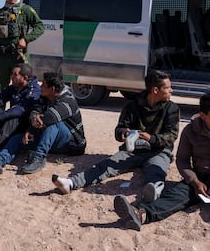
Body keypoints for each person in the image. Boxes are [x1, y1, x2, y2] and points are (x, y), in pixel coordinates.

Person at [52, 69, 180, 201]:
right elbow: (119, 130)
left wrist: (151, 138)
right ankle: (71, 183)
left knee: (156, 173)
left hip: (158, 151)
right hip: (134, 150)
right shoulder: (133, 106)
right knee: (106, 166)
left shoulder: (171, 109)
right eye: (168, 87)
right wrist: (124, 133)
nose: (171, 90)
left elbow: (171, 135)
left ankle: (152, 194)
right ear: (155, 90)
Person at [113, 92, 210, 231]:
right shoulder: (190, 131)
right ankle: (141, 214)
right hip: (199, 177)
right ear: (203, 115)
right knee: (176, 195)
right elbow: (182, 160)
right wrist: (194, 181)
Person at [0, 72, 86, 175]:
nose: (41, 87)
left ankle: (39, 158)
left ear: (53, 89)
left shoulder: (68, 100)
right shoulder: (46, 95)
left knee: (53, 123)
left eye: (44, 85)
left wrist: (32, 129)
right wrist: (32, 123)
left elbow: (49, 118)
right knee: (17, 139)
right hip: (49, 138)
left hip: (71, 143)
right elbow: (36, 110)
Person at [0, 0, 44, 93]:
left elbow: (39, 27)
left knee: (21, 87)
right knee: (0, 88)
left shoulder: (25, 10)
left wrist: (26, 39)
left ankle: (19, 110)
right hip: (2, 58)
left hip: (18, 56)